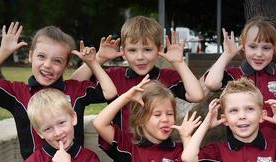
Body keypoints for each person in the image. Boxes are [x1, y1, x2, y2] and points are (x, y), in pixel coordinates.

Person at [0, 22, 117, 160]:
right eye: (41, 56)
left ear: (66, 65)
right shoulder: (18, 94)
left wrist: (94, 61)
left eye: (57, 61)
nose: (47, 65)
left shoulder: (74, 91)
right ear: (30, 56)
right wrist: (3, 51)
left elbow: (109, 92)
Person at [71, 15, 204, 134]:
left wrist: (179, 63)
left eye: (147, 49)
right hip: (123, 153)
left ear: (158, 49)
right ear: (123, 51)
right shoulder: (114, 76)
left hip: (160, 151)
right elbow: (73, 86)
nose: (140, 57)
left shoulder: (167, 77)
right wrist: (99, 59)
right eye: (132, 50)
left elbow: (197, 95)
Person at [204, 16, 276, 142]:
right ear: (243, 46)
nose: (259, 54)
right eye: (252, 47)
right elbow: (211, 83)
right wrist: (227, 55)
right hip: (238, 147)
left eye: (266, 48)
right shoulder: (234, 75)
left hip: (274, 146)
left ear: (275, 48)